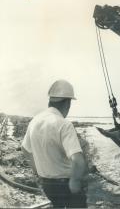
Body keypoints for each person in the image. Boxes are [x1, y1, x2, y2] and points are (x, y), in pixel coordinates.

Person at [21, 79, 88, 208]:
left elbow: (25, 149)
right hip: (64, 185)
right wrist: (74, 182)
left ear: (50, 101)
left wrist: (37, 170)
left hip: (47, 185)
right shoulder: (64, 124)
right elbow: (78, 161)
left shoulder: (35, 121)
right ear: (68, 103)